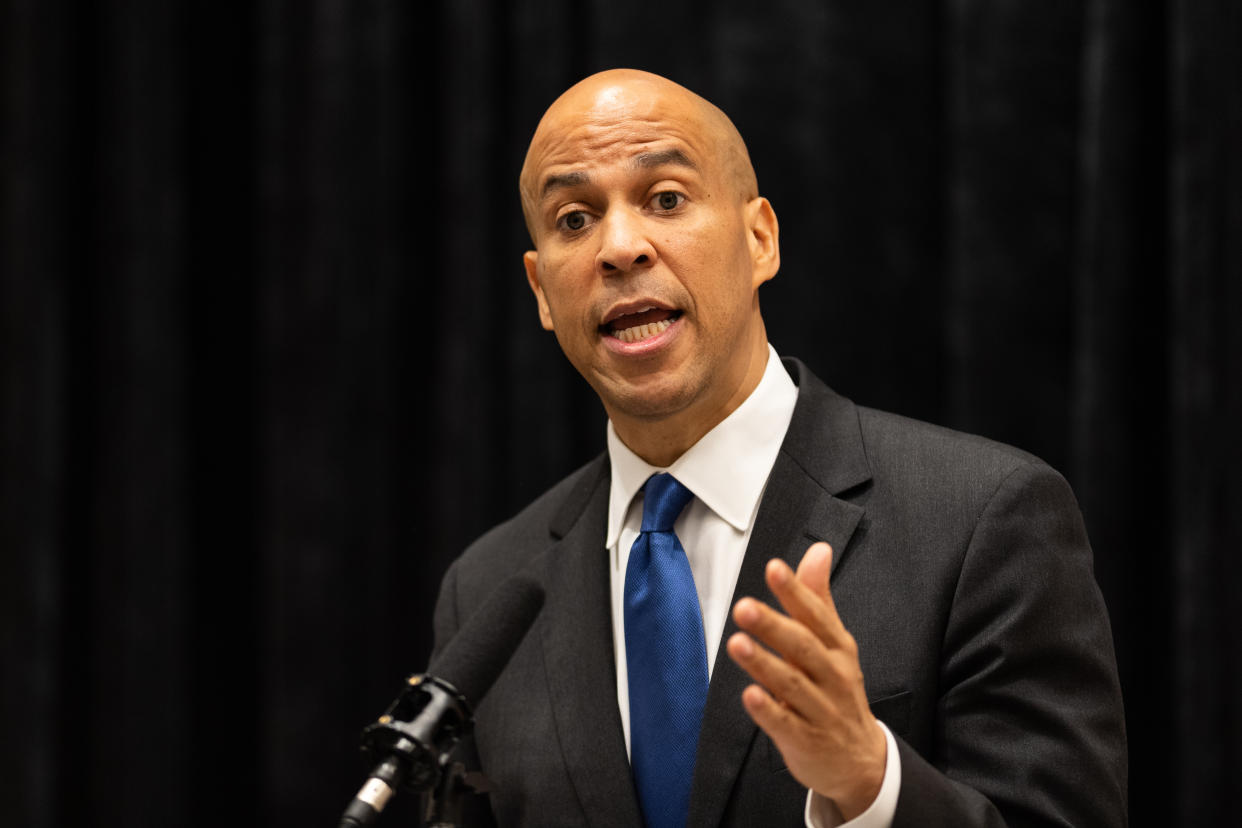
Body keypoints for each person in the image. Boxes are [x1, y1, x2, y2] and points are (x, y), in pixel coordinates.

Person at [431, 68, 1127, 827]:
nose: (620, 247)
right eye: (573, 219)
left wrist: (871, 783)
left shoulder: (983, 519)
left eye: (665, 199)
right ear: (539, 290)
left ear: (760, 238)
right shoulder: (489, 589)